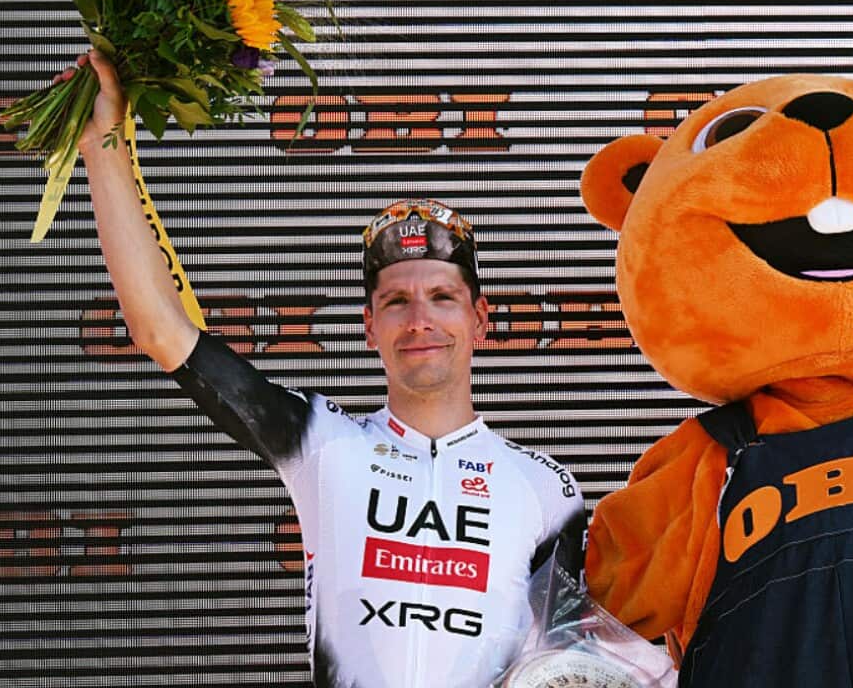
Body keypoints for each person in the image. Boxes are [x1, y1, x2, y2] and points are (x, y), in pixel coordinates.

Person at [72, 50, 587, 688]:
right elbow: (161, 330)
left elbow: (572, 658)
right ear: (369, 326)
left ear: (480, 318)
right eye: (396, 302)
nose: (419, 320)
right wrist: (102, 144)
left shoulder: (548, 491)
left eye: (442, 298)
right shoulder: (324, 442)